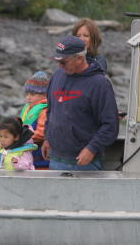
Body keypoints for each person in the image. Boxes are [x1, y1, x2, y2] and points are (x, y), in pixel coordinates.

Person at [41, 35, 119, 171]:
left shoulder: (99, 84)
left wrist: (92, 148)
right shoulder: (57, 76)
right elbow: (50, 111)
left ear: (79, 58)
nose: (59, 66)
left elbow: (110, 125)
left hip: (84, 162)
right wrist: (47, 138)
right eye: (57, 61)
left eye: (63, 62)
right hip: (55, 158)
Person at [19, 71, 50, 168]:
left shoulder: (44, 110)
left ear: (44, 94)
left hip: (39, 153)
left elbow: (42, 132)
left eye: (32, 94)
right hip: (27, 150)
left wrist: (21, 139)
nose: (28, 97)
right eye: (27, 94)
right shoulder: (27, 108)